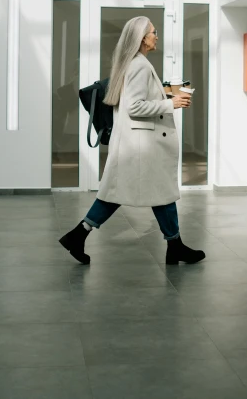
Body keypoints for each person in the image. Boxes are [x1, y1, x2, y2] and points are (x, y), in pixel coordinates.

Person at [59, 16, 205, 266]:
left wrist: (165, 93)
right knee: (149, 193)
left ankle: (173, 245)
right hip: (142, 146)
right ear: (142, 38)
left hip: (136, 143)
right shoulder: (139, 65)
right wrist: (171, 102)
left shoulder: (132, 63)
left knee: (137, 193)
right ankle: (174, 245)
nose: (156, 35)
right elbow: (134, 106)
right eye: (153, 32)